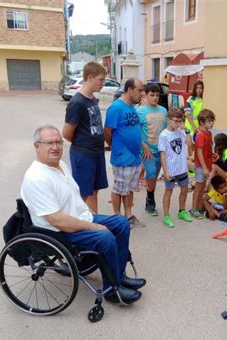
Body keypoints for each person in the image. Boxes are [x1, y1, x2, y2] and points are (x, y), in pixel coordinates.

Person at [20, 125, 146, 304]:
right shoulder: (37, 178)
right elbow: (58, 221)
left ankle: (119, 275)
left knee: (121, 222)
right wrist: (95, 226)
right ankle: (112, 289)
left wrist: (90, 215)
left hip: (77, 219)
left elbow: (73, 198)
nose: (55, 147)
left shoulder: (60, 165)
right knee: (105, 236)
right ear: (37, 146)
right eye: (49, 143)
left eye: (58, 142)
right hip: (59, 232)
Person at [62, 62, 108, 214]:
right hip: (84, 154)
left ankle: (94, 220)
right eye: (101, 79)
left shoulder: (92, 99)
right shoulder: (77, 103)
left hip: (97, 153)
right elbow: (67, 134)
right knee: (82, 193)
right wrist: (84, 143)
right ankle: (78, 224)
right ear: (90, 77)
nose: (104, 83)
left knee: (94, 190)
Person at [105, 78, 146, 228]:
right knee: (119, 188)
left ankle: (128, 216)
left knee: (128, 189)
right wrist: (115, 146)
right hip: (122, 157)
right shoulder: (116, 108)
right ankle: (117, 218)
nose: (142, 94)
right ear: (129, 90)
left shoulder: (131, 107)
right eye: (139, 90)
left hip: (135, 157)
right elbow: (107, 131)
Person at [137, 83, 168, 216]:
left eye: (157, 95)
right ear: (146, 95)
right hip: (147, 151)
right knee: (150, 174)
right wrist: (145, 148)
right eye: (152, 95)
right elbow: (136, 133)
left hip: (161, 151)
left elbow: (166, 130)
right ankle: (150, 199)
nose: (155, 98)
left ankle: (150, 194)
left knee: (154, 177)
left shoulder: (163, 111)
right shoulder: (139, 112)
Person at [158, 109, 193, 228]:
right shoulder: (164, 135)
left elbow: (189, 144)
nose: (178, 123)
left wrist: (187, 131)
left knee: (184, 190)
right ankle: (166, 216)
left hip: (182, 168)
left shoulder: (181, 132)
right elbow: (162, 154)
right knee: (169, 191)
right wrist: (165, 171)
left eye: (180, 121)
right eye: (175, 121)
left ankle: (181, 211)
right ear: (168, 120)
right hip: (171, 169)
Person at [190, 109, 216, 219]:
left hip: (207, 164)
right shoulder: (201, 135)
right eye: (209, 121)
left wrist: (213, 155)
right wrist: (205, 168)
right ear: (201, 122)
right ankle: (194, 208)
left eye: (212, 121)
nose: (211, 123)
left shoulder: (209, 133)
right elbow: (199, 152)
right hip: (201, 166)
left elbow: (207, 149)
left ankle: (200, 206)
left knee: (203, 187)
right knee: (199, 187)